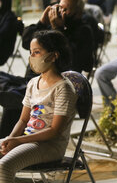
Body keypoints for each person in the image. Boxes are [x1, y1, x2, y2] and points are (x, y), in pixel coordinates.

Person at [0, 30, 77, 182]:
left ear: (53, 56)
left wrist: (18, 141)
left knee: (4, 166)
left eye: (37, 52)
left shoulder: (63, 88)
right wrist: (10, 138)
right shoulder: (33, 83)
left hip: (50, 146)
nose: (32, 57)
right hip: (27, 140)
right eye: (30, 52)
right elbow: (23, 120)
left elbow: (54, 131)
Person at [22, 0, 95, 74]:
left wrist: (58, 29)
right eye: (59, 8)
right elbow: (26, 43)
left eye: (65, 9)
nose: (60, 12)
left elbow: (80, 64)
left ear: (78, 13)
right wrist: (42, 23)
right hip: (35, 78)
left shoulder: (84, 31)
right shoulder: (51, 25)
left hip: (61, 79)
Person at [0, 0, 23, 66]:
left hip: (3, 51)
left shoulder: (10, 18)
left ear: (4, 2)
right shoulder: (2, 16)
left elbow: (3, 34)